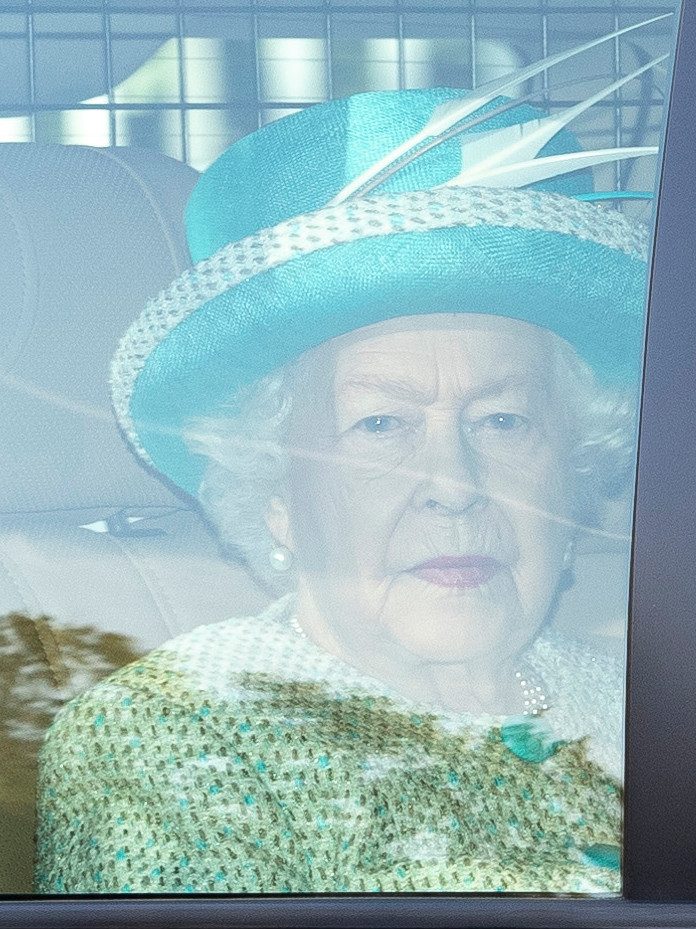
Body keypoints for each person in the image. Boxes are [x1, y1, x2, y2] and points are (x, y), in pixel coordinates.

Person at [34, 40, 656, 894]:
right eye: (380, 424)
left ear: (573, 466)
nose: (454, 484)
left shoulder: (650, 699)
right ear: (276, 492)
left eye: (503, 419)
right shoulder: (180, 735)